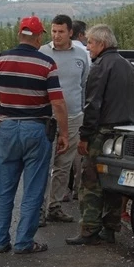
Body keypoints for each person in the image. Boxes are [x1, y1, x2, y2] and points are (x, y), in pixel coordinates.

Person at [0, 16, 69, 255]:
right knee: (33, 188)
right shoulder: (47, 64)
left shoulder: (0, 60)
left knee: (4, 188)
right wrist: (64, 134)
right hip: (36, 129)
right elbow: (58, 103)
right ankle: (24, 242)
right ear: (40, 37)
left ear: (19, 34)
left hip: (8, 129)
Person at [67, 24, 134, 246]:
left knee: (90, 181)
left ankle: (89, 229)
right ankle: (110, 228)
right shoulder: (130, 67)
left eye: (90, 43)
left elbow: (93, 104)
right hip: (124, 133)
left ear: (101, 43)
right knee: (114, 181)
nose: (87, 47)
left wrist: (85, 136)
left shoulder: (100, 67)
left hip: (103, 132)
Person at [39, 15, 90, 225]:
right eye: (53, 31)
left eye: (61, 31)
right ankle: (37, 210)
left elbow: (83, 84)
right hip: (47, 118)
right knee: (42, 164)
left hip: (73, 117)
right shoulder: (43, 52)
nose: (56, 35)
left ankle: (54, 206)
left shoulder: (81, 55)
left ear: (70, 32)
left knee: (63, 165)